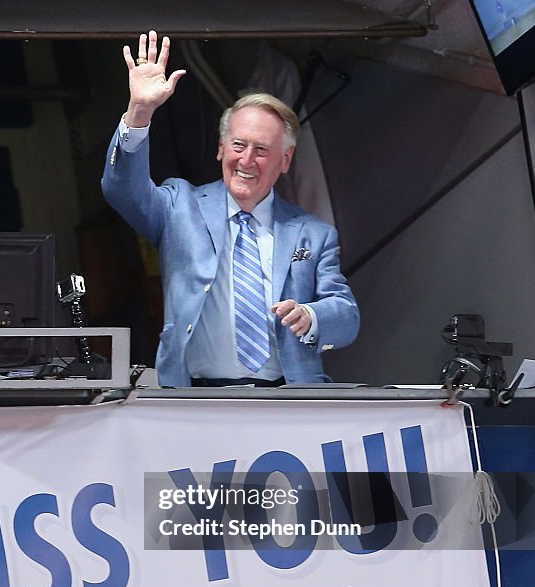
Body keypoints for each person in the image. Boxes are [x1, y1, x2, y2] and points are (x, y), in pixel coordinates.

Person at [101, 31, 359, 387]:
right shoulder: (180, 205)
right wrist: (139, 113)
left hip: (290, 402)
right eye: (238, 145)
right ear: (221, 148)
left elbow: (347, 318)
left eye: (262, 150)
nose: (247, 160)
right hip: (198, 401)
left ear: (285, 160)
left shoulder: (313, 233)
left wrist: (311, 314)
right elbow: (122, 190)